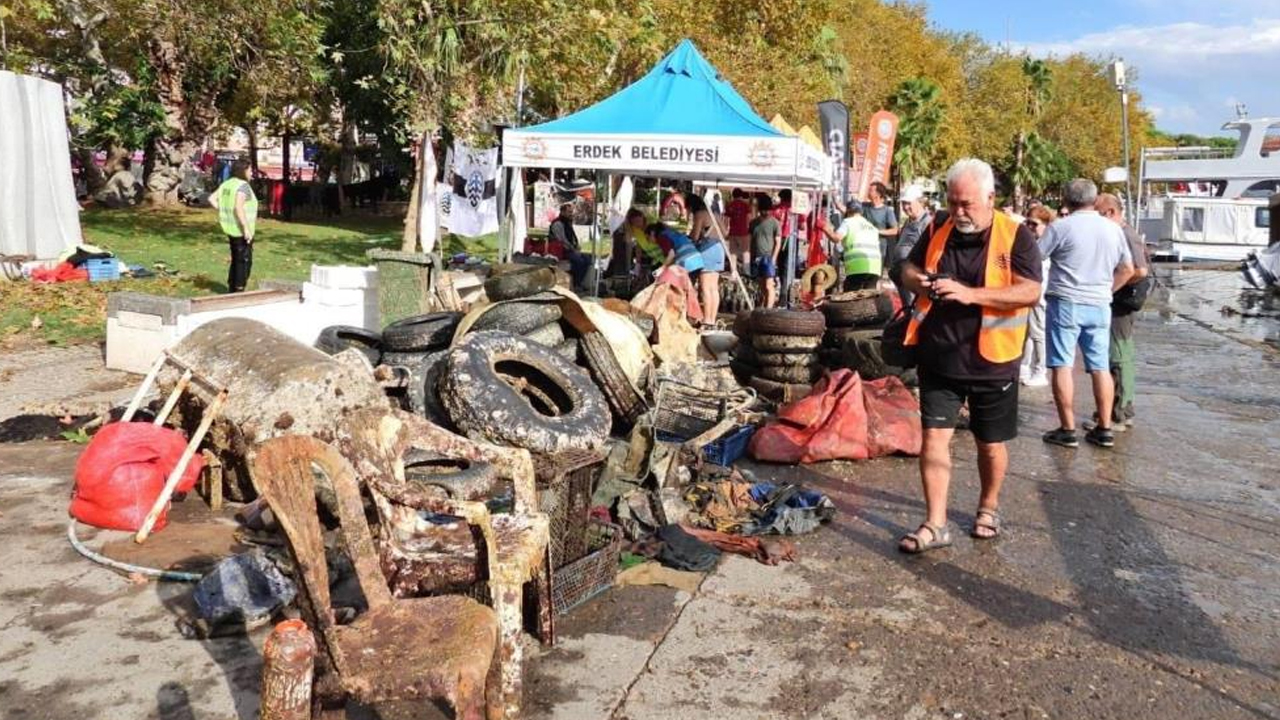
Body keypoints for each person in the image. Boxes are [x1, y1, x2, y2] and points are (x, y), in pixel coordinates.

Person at [898, 158, 1043, 553]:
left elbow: (1030, 291)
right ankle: (935, 523)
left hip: (992, 360)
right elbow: (906, 269)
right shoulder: (937, 227)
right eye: (953, 201)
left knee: (989, 444)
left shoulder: (1016, 235)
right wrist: (922, 282)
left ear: (990, 198)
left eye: (967, 204)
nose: (958, 211)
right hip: (939, 356)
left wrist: (971, 295)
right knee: (933, 439)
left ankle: (988, 506)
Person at [1039, 179, 1134, 450]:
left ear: (1066, 199)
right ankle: (1104, 428)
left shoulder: (1061, 227)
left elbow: (1035, 258)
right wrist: (1107, 290)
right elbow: (1127, 269)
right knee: (1100, 367)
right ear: (1094, 199)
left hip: (1066, 301)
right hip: (1100, 304)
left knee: (1061, 364)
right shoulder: (1113, 229)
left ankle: (1067, 429)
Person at [1094, 193, 1150, 429]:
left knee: (1119, 357)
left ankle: (1120, 412)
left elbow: (1140, 270)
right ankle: (1113, 411)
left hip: (1122, 304)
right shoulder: (1120, 233)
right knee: (1114, 355)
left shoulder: (1127, 235)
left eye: (1097, 214)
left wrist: (1110, 286)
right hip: (1118, 301)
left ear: (1110, 213)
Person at [1020, 205, 1056, 387]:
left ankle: (1040, 370)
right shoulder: (1030, 242)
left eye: (1034, 224)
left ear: (1046, 225)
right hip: (1026, 292)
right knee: (1025, 333)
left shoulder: (1048, 245)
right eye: (1028, 223)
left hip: (1040, 295)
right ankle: (1024, 367)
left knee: (1038, 334)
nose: (1030, 227)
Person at [210, 159, 258, 293]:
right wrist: (246, 229)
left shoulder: (227, 184)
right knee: (243, 261)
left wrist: (223, 210)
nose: (251, 173)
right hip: (240, 229)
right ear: (243, 171)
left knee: (236, 259)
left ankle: (232, 287)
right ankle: (238, 288)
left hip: (229, 228)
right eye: (249, 170)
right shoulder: (243, 186)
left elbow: (212, 199)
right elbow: (238, 207)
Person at [824, 202, 881, 291]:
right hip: (874, 267)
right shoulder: (871, 226)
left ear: (848, 212)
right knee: (869, 297)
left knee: (850, 297)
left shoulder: (848, 222)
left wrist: (824, 228)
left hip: (857, 267)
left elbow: (836, 238)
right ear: (861, 212)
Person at [890, 185, 932, 306]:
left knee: (914, 309)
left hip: (914, 277)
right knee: (907, 308)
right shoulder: (909, 223)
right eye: (903, 203)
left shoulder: (927, 223)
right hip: (901, 277)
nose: (905, 207)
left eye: (908, 203)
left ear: (920, 202)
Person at [551, 203, 592, 291]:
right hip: (561, 251)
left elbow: (572, 237)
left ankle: (579, 282)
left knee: (588, 258)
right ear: (562, 212)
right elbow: (562, 240)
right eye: (568, 212)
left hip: (570, 249)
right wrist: (573, 249)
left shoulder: (567, 223)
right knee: (579, 261)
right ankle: (576, 284)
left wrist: (577, 246)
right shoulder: (557, 223)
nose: (571, 214)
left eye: (571, 212)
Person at [750, 195, 782, 308]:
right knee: (761, 285)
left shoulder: (775, 223)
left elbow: (778, 242)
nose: (766, 212)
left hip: (768, 257)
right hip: (757, 257)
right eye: (764, 210)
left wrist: (773, 259)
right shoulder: (753, 223)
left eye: (768, 210)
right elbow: (751, 241)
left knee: (769, 285)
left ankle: (768, 309)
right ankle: (764, 306)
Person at [865, 181, 899, 267]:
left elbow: (895, 230)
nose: (868, 192)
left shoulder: (887, 211)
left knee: (875, 274)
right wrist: (835, 199)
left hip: (879, 248)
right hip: (865, 247)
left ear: (878, 194)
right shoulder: (864, 206)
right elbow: (848, 211)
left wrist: (877, 231)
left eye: (871, 190)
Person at [725, 188, 754, 268]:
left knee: (733, 253)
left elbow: (726, 219)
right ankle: (746, 271)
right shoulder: (746, 205)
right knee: (745, 252)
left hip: (733, 232)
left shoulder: (730, 205)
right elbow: (749, 218)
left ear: (733, 195)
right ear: (741, 195)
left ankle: (733, 271)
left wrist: (726, 231)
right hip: (744, 232)